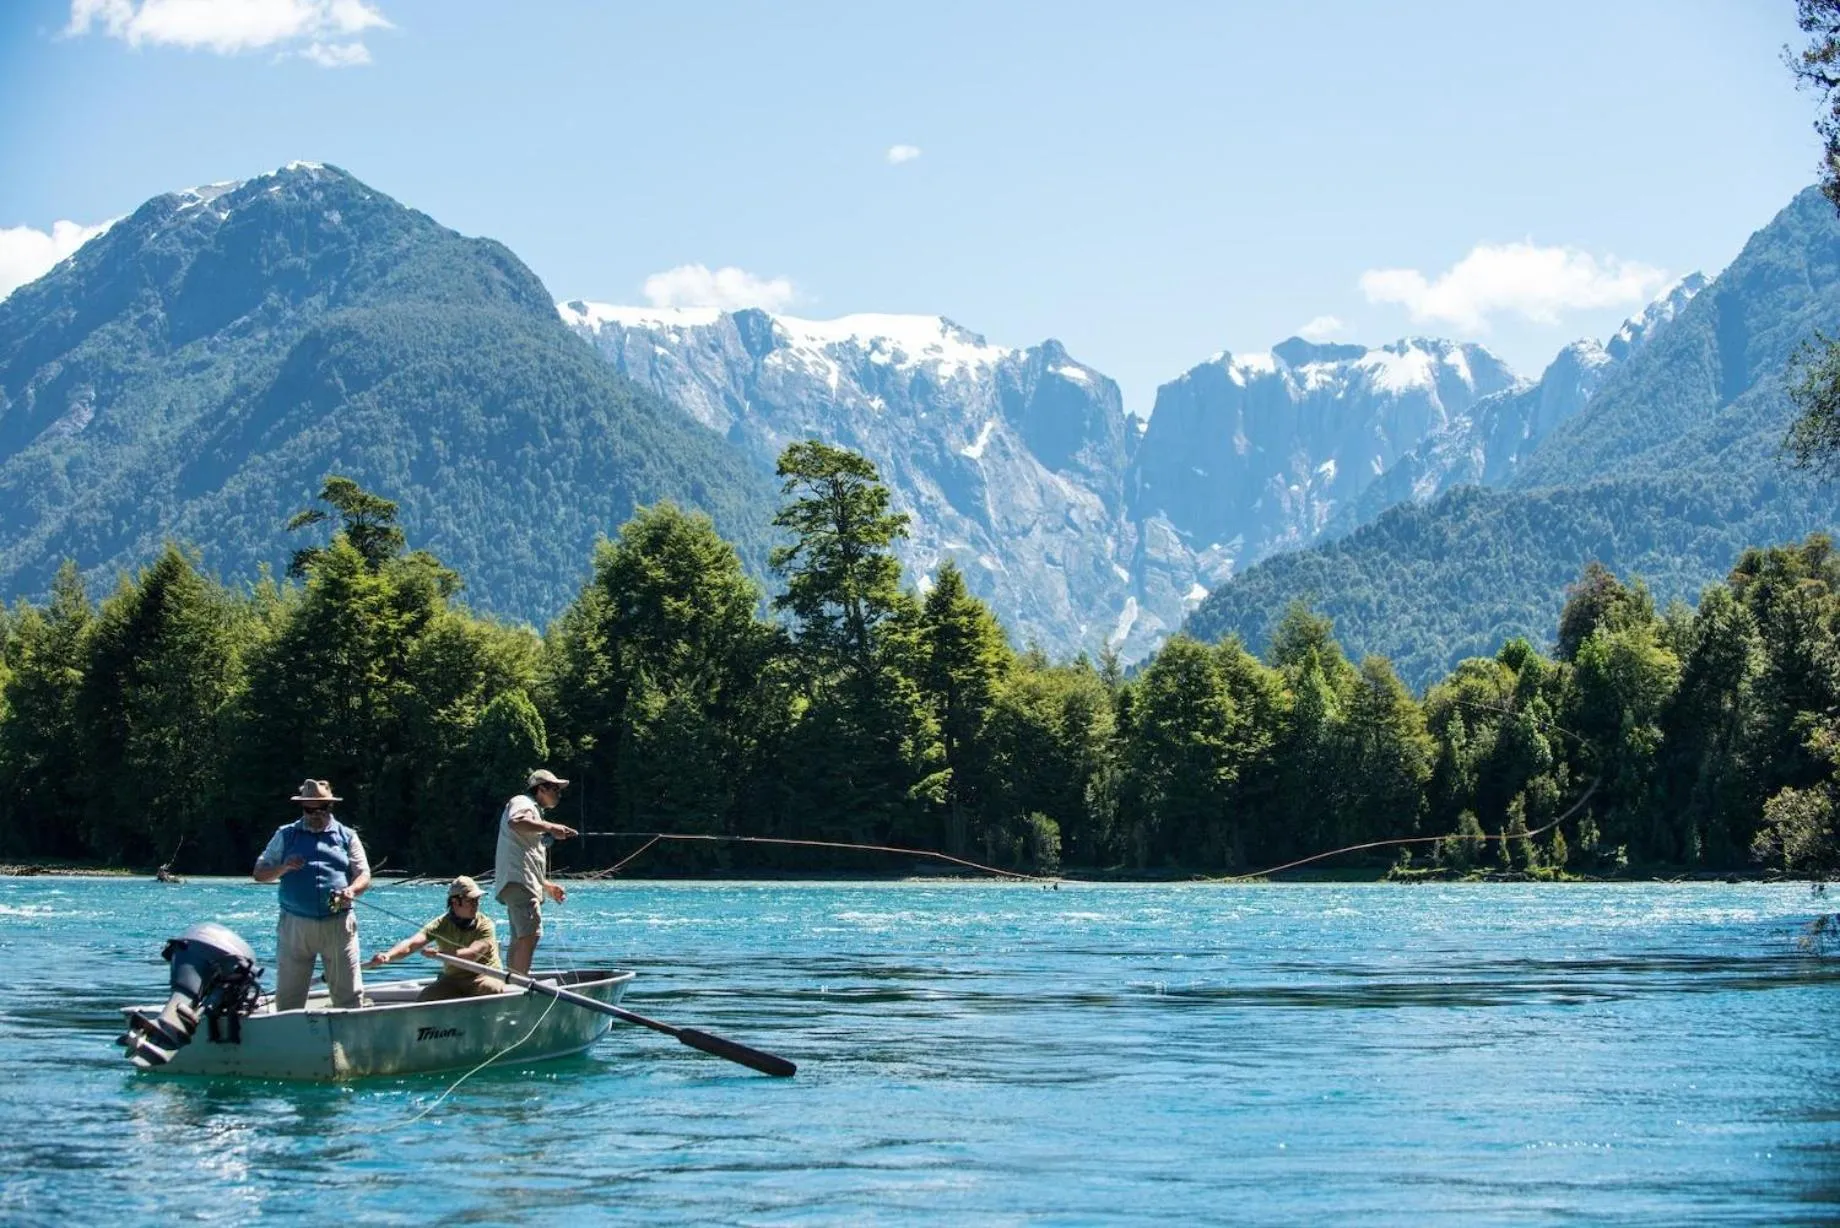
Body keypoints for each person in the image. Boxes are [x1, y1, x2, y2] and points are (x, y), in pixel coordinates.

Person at [252, 779, 371, 1011]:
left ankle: (350, 1042)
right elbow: (259, 873)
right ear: (302, 808)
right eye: (310, 809)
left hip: (338, 923)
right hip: (295, 926)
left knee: (348, 996)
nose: (316, 814)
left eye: (322, 808)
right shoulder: (285, 835)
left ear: (330, 807)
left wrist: (352, 890)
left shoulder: (347, 836)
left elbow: (363, 874)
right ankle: (289, 1040)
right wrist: (284, 868)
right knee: (289, 998)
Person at [494, 769, 578, 976]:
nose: (559, 794)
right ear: (541, 788)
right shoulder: (523, 802)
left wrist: (546, 886)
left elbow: (527, 855)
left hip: (519, 882)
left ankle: (512, 980)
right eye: (555, 789)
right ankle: (518, 985)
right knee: (531, 933)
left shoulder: (533, 811)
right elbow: (516, 822)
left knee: (521, 936)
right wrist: (551, 827)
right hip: (519, 882)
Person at [366, 875, 505, 1000]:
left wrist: (439, 954)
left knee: (490, 989)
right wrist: (387, 956)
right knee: (426, 998)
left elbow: (472, 954)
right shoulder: (440, 924)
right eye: (471, 901)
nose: (476, 905)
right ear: (455, 902)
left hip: (483, 977)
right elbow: (411, 944)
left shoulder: (486, 924)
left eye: (477, 900)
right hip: (453, 979)